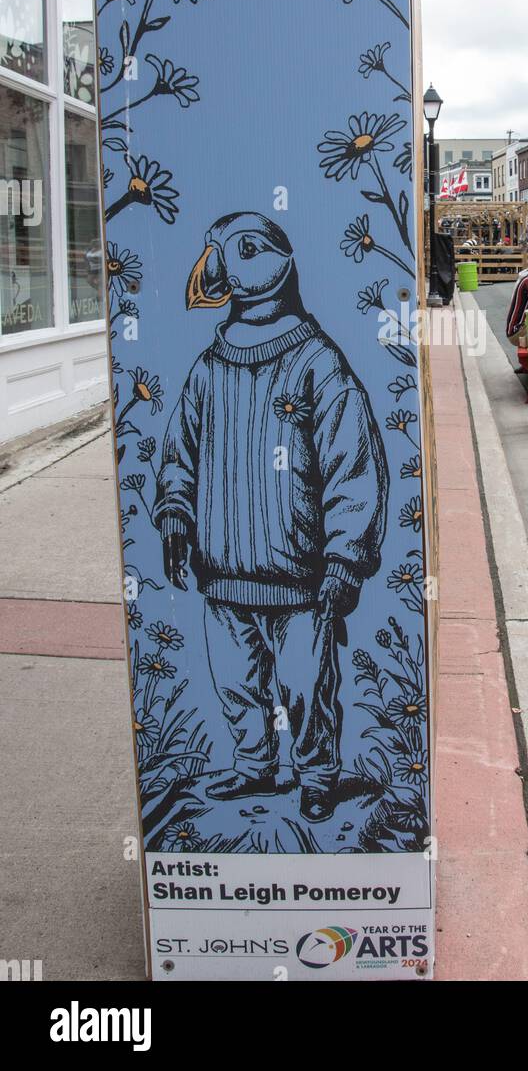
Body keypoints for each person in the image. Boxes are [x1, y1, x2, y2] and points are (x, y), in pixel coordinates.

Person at [155, 213, 388, 823]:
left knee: (306, 683)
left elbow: (353, 463)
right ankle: (254, 765)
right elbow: (180, 446)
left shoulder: (316, 362)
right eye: (219, 254)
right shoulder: (210, 365)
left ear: (281, 265)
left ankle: (317, 775)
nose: (219, 267)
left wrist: (344, 558)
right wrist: (176, 509)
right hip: (222, 564)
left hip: (301, 571)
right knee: (236, 678)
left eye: (245, 250)